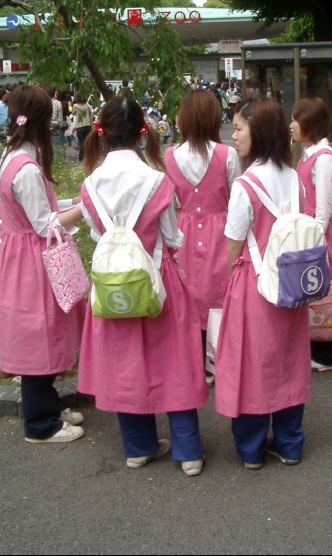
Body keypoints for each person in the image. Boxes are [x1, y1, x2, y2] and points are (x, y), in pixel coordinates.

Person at [60, 96, 208, 476]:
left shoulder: (90, 185)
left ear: (101, 132)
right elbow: (172, 238)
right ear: (143, 131)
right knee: (174, 360)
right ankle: (188, 452)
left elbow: (96, 233)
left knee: (125, 363)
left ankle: (138, 446)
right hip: (158, 281)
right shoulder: (158, 181)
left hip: (113, 286)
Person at [216, 97, 312, 469]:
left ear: (259, 131)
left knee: (251, 364)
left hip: (254, 284)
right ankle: (290, 443)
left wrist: (228, 278)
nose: (234, 134)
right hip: (291, 283)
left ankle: (252, 449)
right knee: (288, 359)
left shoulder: (246, 184)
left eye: (239, 127)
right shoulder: (293, 178)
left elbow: (234, 245)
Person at [0, 84, 86, 444]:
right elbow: (44, 223)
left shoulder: (12, 155)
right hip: (34, 261)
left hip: (20, 258)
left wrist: (71, 201)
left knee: (42, 331)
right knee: (39, 334)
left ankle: (47, 406)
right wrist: (84, 208)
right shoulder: (27, 168)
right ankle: (40, 423)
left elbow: (39, 207)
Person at [165, 89, 241, 386]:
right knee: (220, 292)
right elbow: (238, 199)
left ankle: (193, 359)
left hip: (183, 231)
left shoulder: (170, 155)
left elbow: (168, 202)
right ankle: (219, 359)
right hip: (223, 231)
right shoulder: (227, 155)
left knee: (190, 293)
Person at [290, 97, 332, 372]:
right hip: (311, 232)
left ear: (309, 124)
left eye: (295, 119)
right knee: (316, 291)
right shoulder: (311, 153)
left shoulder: (323, 159)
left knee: (325, 291)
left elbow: (323, 209)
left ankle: (330, 355)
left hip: (318, 236)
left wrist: (312, 241)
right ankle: (321, 350)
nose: (290, 125)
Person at [71, 92, 93, 162]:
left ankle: (81, 157)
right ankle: (89, 156)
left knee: (81, 142)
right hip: (87, 125)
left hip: (79, 126)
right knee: (87, 141)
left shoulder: (75, 106)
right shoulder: (87, 106)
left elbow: (73, 113)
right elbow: (91, 114)